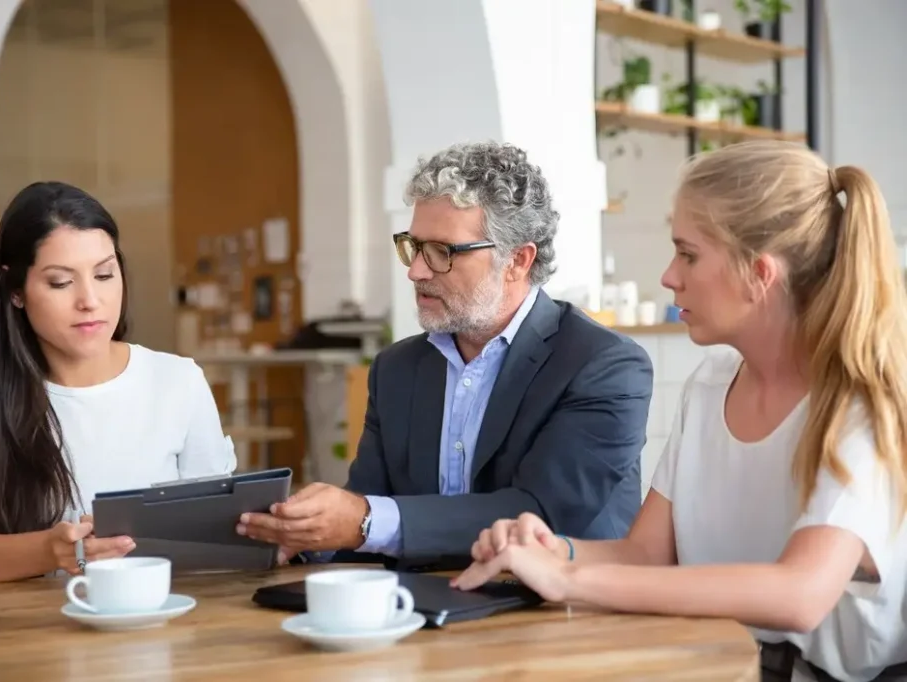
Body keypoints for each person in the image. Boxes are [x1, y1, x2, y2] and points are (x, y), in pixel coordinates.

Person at [454, 140, 907, 682]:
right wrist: (552, 550)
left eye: (688, 253)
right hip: (719, 667)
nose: (669, 276)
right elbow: (646, 554)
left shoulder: (861, 406)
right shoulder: (710, 385)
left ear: (759, 274)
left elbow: (800, 594)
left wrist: (567, 581)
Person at [237, 141, 653, 569]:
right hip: (423, 614)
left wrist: (362, 520)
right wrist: (304, 536)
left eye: (442, 252)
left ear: (517, 260)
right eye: (413, 247)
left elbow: (545, 515)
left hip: (564, 617)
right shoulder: (397, 369)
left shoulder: (602, 365)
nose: (416, 270)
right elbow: (369, 510)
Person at [0, 181, 236, 589]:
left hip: (156, 620)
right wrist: (52, 551)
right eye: (61, 283)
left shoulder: (179, 382)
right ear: (15, 290)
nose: (90, 300)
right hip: (26, 634)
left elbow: (217, 539)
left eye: (104, 274)